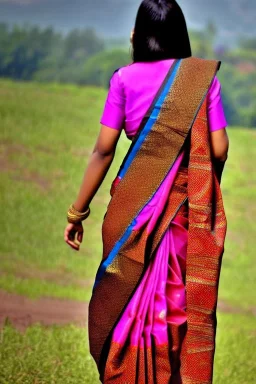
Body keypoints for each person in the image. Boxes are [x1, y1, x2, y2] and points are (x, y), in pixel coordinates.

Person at [64, 0, 229, 382]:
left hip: (130, 212)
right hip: (181, 216)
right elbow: (218, 149)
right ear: (179, 36)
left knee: (125, 307)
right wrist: (196, 180)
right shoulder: (203, 80)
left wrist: (77, 212)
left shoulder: (124, 78)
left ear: (137, 35)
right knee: (173, 311)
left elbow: (103, 150)